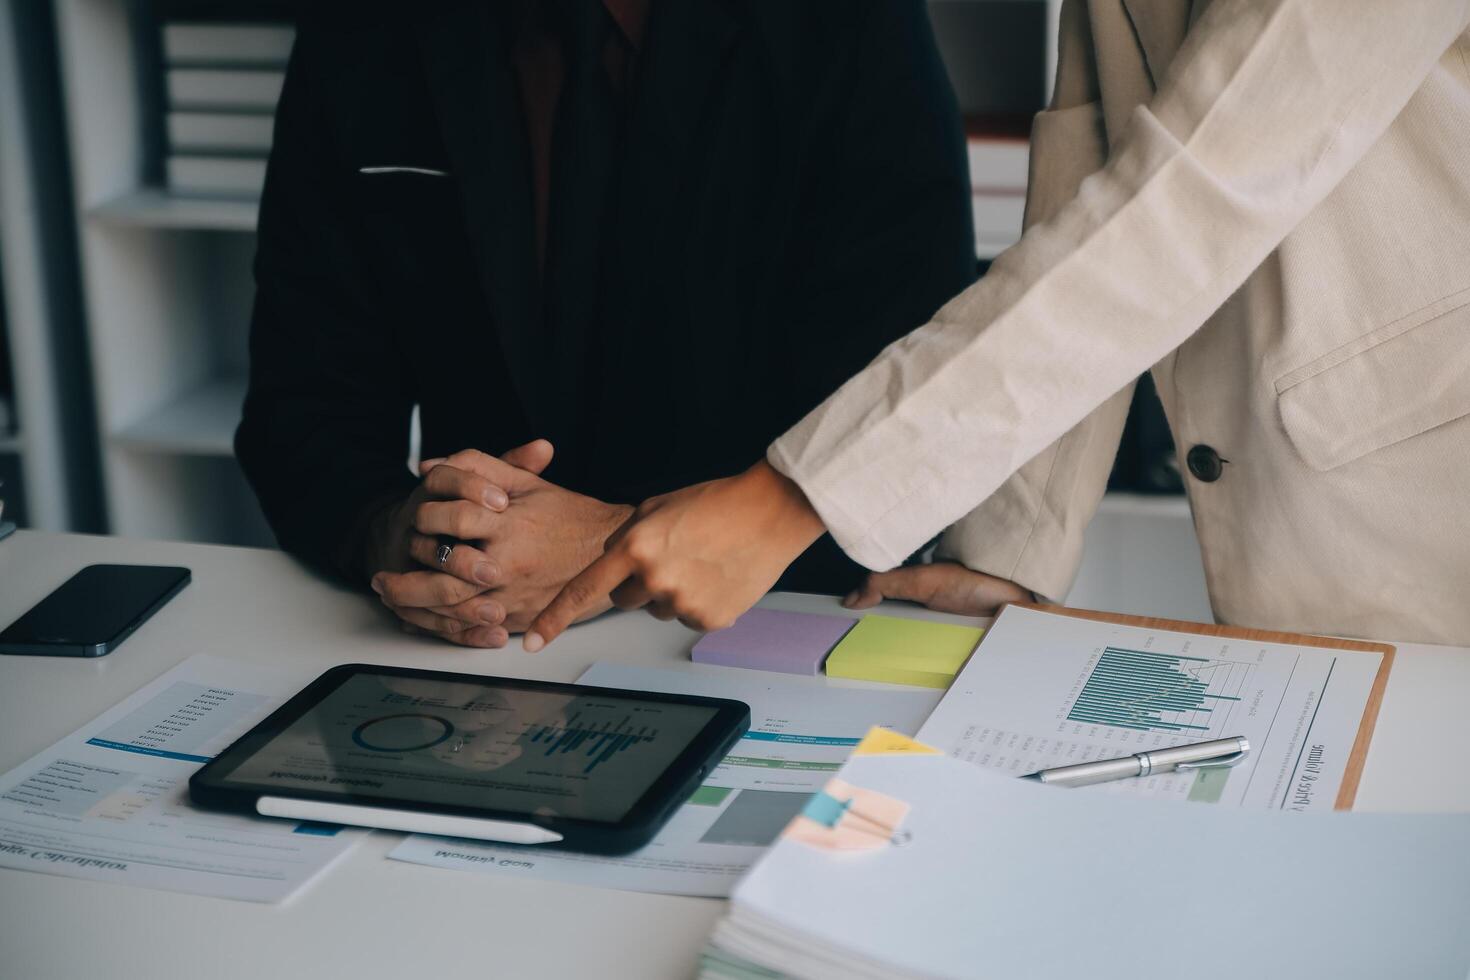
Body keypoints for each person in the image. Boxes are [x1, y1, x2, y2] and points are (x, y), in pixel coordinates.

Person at [526, 0, 1470, 651]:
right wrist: (1008, 556)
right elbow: (1089, 175)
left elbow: (1183, 206)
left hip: (1426, 514)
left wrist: (789, 501)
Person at [236, 0, 977, 647]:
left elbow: (901, 406)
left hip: (768, 626)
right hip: (463, 638)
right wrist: (399, 533)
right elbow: (301, 403)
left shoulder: (847, 20)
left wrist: (609, 545)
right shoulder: (364, 23)